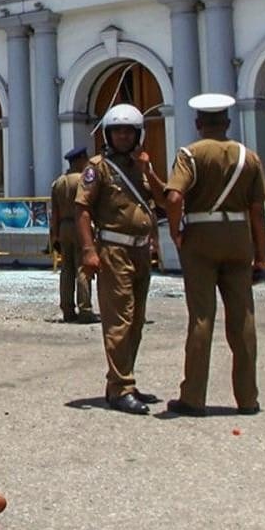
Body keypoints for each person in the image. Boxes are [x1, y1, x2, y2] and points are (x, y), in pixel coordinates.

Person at [162, 93, 265, 416]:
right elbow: (258, 210)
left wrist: (175, 230)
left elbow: (174, 196)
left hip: (201, 236)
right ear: (227, 122)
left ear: (198, 124)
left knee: (201, 316)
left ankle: (194, 396)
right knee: (244, 318)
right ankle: (247, 397)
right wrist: (261, 256)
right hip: (239, 237)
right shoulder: (247, 157)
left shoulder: (190, 155)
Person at [77, 102, 164, 416]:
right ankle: (120, 388)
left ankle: (123, 377)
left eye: (129, 131)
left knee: (137, 320)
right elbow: (83, 210)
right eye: (117, 132)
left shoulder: (141, 165)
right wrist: (88, 250)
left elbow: (164, 200)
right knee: (119, 320)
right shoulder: (97, 167)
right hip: (113, 250)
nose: (123, 137)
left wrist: (147, 172)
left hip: (141, 250)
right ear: (108, 135)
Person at [48, 146, 96, 323]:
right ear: (82, 159)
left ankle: (67, 309)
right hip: (79, 225)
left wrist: (54, 235)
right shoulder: (84, 180)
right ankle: (85, 309)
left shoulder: (59, 182)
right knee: (82, 267)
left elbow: (54, 213)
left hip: (63, 227)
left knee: (66, 269)